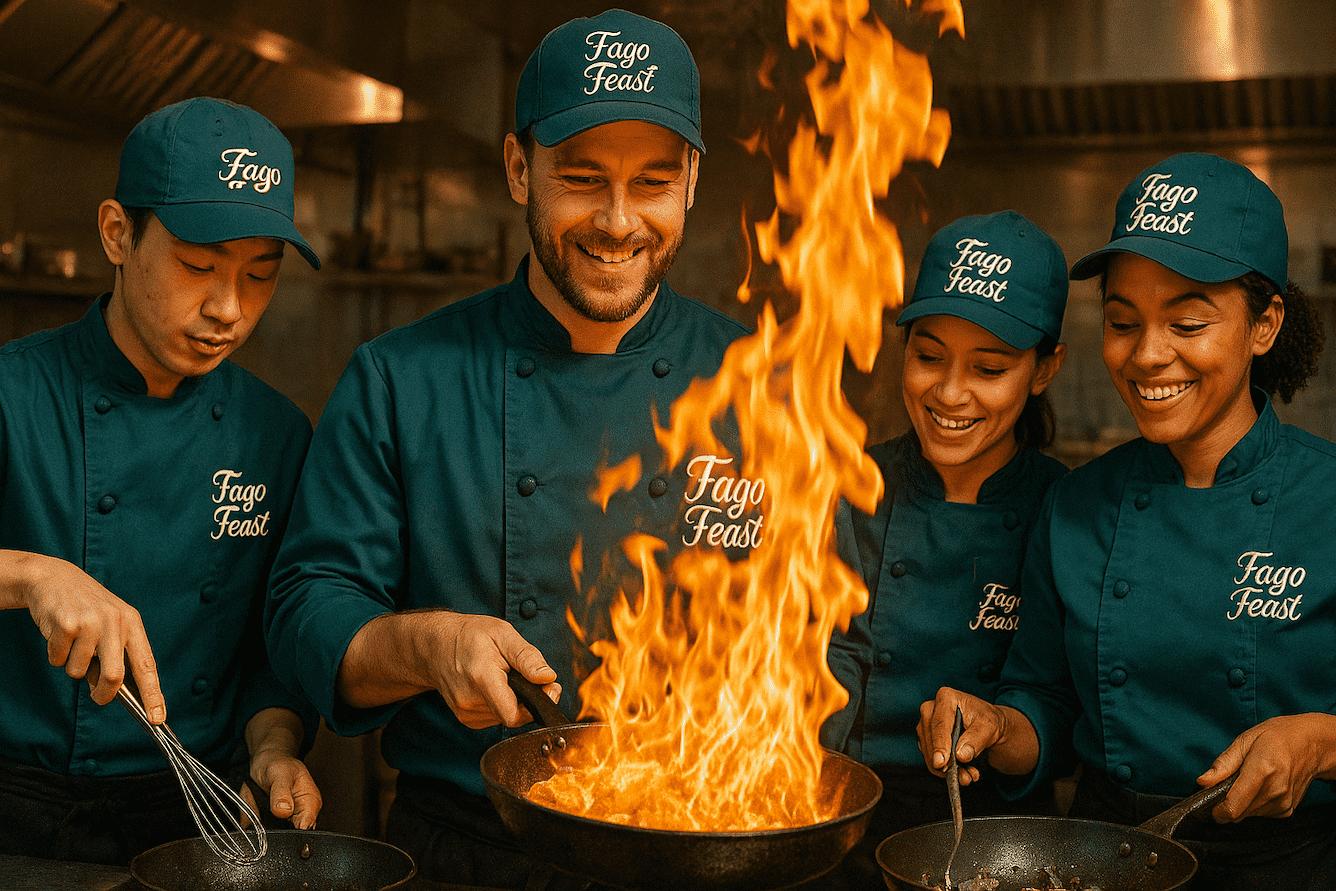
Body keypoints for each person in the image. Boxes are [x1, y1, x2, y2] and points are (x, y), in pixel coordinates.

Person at [266, 10, 855, 887]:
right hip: (470, 854)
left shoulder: (766, 387)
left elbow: (828, 639)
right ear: (518, 169)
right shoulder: (400, 379)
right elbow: (305, 611)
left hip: (700, 850)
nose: (618, 221)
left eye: (652, 182)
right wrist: (428, 643)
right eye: (582, 178)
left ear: (692, 180)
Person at [919, 153, 1336, 888]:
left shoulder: (1325, 495)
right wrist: (996, 725)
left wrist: (1321, 741)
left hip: (1287, 867)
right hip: (1106, 859)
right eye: (1122, 322)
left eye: (1188, 322)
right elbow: (1045, 704)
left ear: (1264, 324)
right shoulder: (1077, 504)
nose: (1146, 355)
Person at [0, 97, 323, 865]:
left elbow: (270, 651)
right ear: (118, 233)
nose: (228, 308)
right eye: (198, 267)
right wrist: (29, 574)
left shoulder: (275, 434)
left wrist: (274, 747)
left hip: (195, 809)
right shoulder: (13, 394)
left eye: (260, 275)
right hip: (13, 809)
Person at [834, 211, 1068, 885]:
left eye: (989, 367)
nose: (950, 392)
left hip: (996, 841)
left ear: (1044, 369)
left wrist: (1000, 725)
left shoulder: (1065, 510)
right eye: (929, 356)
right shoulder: (849, 488)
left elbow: (1060, 711)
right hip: (838, 819)